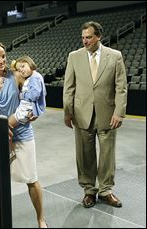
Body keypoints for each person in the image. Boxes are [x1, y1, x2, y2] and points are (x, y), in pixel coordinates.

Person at [0, 41, 48, 228]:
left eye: (3, 56)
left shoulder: (16, 76)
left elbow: (35, 95)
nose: (2, 60)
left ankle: (41, 219)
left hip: (22, 134)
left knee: (31, 179)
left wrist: (36, 113)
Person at [63, 21, 127, 208]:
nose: (85, 41)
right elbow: (69, 87)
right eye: (83, 37)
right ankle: (89, 190)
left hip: (107, 114)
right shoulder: (74, 57)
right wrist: (67, 112)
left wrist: (119, 113)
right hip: (81, 114)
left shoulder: (115, 56)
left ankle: (106, 190)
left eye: (89, 37)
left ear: (98, 36)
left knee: (107, 155)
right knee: (84, 155)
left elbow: (121, 87)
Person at [8, 56, 46, 129]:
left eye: (23, 66)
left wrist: (22, 95)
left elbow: (34, 95)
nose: (21, 70)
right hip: (25, 109)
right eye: (19, 70)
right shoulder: (32, 77)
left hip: (26, 110)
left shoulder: (35, 78)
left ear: (30, 63)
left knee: (8, 124)